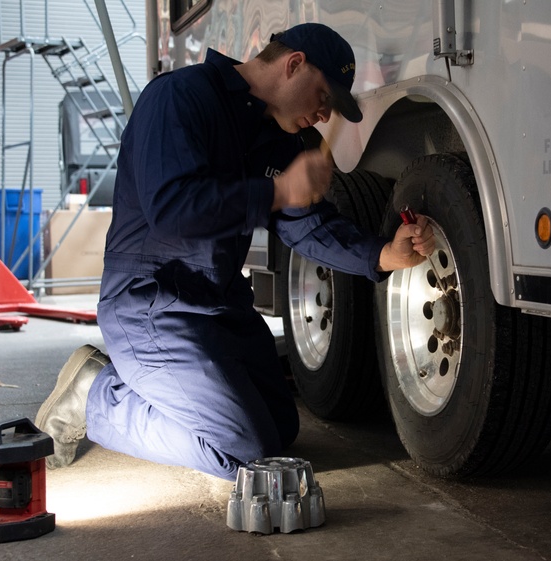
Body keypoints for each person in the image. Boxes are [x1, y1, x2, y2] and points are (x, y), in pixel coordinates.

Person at [34, 23, 435, 480]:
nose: (325, 116)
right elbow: (173, 211)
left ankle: (156, 387)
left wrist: (383, 255)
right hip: (151, 304)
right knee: (242, 451)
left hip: (219, 304)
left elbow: (306, 225)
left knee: (280, 428)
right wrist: (277, 190)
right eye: (324, 96)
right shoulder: (179, 98)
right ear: (294, 65)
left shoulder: (278, 141)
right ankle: (97, 394)